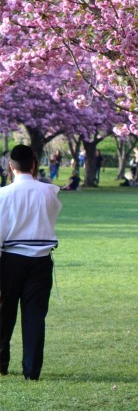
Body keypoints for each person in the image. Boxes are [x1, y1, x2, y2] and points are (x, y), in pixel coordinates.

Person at [0, 144, 63, 380]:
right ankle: (32, 370)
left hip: (10, 260)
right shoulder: (50, 192)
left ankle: (2, 363)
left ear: (11, 166)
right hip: (40, 260)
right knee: (35, 316)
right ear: (34, 164)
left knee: (4, 314)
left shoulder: (3, 195)